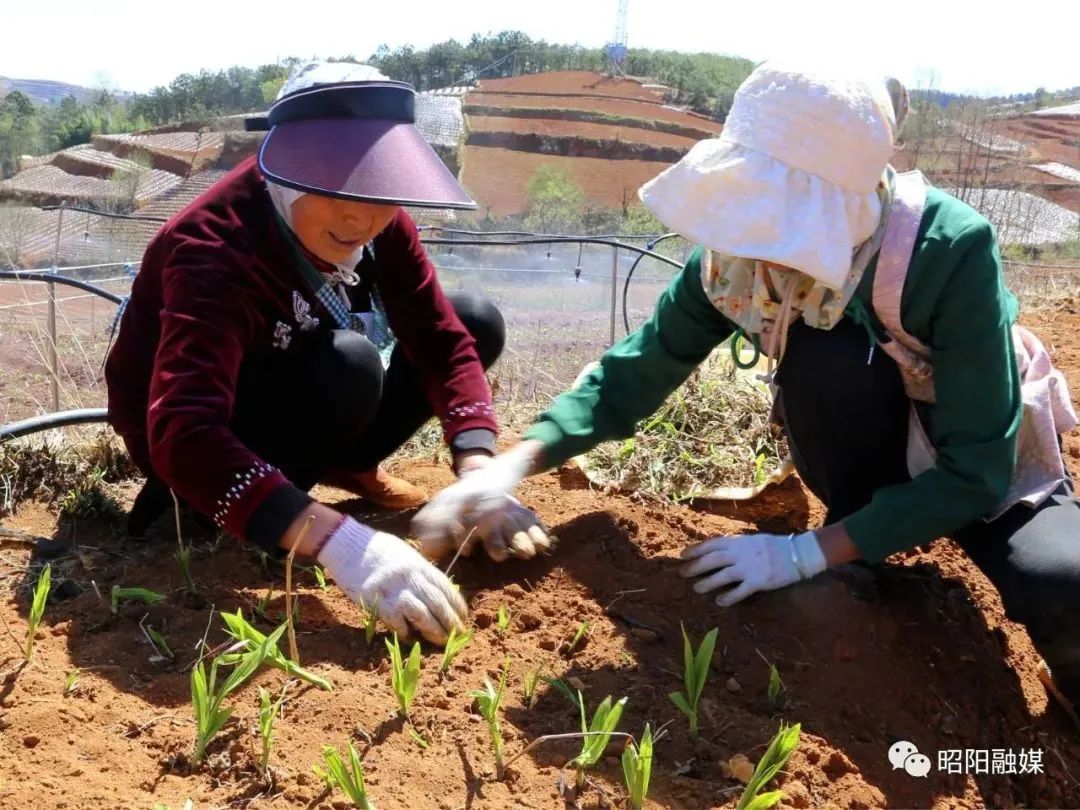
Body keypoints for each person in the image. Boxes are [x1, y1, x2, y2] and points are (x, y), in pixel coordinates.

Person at [411, 61, 1080, 708]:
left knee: (1063, 582)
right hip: (867, 453)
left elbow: (977, 470)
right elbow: (638, 371)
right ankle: (855, 543)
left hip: (975, 450)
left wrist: (798, 555)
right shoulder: (734, 262)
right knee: (826, 356)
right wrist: (503, 471)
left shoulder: (943, 250)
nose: (758, 240)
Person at [104, 61, 527, 644]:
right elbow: (183, 430)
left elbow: (441, 337)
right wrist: (344, 544)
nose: (361, 217)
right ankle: (236, 513)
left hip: (304, 393)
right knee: (348, 363)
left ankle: (346, 468)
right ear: (292, 174)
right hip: (202, 447)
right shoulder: (213, 248)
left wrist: (479, 468)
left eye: (378, 190)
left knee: (475, 318)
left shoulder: (377, 219)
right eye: (336, 190)